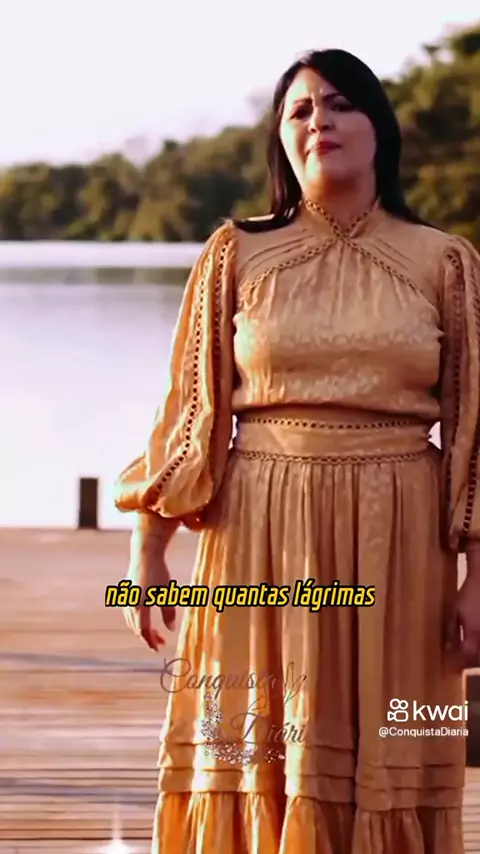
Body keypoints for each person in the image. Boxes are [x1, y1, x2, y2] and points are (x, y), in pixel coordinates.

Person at [114, 48, 480, 854]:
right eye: (301, 110)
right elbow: (189, 415)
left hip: (400, 541)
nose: (321, 121)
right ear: (282, 138)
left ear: (380, 127)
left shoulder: (443, 261)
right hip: (258, 535)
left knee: (393, 751)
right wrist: (148, 551)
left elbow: (475, 430)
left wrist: (478, 578)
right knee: (260, 756)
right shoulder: (234, 255)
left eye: (341, 104)